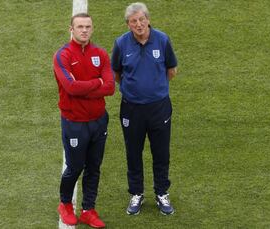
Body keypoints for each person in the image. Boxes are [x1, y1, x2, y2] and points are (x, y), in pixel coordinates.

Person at [111, 2, 178, 216]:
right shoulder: (121, 44)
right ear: (128, 24)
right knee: (133, 153)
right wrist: (135, 90)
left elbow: (171, 70)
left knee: (161, 152)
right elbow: (116, 74)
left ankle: (161, 193)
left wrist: (154, 89)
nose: (138, 24)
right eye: (134, 21)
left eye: (141, 20)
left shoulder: (163, 40)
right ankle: (136, 193)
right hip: (131, 109)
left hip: (159, 108)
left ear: (148, 19)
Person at [53, 13, 115, 228]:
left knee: (94, 166)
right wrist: (96, 83)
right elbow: (70, 87)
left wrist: (84, 87)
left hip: (98, 121)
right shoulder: (62, 55)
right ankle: (65, 204)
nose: (84, 30)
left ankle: (89, 209)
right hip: (74, 123)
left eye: (88, 26)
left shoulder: (101, 54)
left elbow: (110, 87)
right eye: (80, 26)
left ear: (92, 29)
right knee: (74, 167)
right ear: (71, 29)